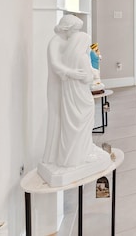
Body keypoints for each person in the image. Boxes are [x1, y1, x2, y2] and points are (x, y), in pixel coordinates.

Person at [42, 14, 86, 165]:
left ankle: (69, 151)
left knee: (67, 118)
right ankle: (54, 155)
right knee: (57, 117)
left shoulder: (67, 41)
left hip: (67, 83)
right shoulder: (55, 42)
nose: (75, 34)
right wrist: (71, 73)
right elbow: (55, 64)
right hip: (57, 84)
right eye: (75, 30)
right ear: (67, 28)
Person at [56, 31, 97, 167]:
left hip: (69, 94)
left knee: (73, 123)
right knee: (83, 122)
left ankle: (73, 155)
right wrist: (92, 74)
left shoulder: (65, 56)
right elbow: (87, 78)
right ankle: (83, 152)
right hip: (82, 93)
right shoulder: (82, 58)